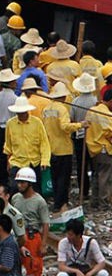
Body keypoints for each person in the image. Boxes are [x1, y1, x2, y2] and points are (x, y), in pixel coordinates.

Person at [41, 81, 86, 211]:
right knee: (63, 179)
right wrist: (80, 125)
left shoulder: (46, 109)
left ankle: (57, 201)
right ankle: (61, 203)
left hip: (50, 148)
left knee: (55, 177)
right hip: (63, 149)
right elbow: (65, 126)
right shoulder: (62, 109)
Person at [4, 96, 50, 189]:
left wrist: (45, 160)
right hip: (17, 162)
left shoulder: (37, 123)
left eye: (23, 112)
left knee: (35, 190)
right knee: (14, 189)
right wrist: (8, 162)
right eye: (19, 113)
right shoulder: (10, 124)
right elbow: (8, 145)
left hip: (34, 162)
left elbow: (44, 143)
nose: (21, 115)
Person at [10, 167, 49, 276]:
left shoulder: (39, 201)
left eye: (22, 183)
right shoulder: (15, 198)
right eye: (18, 183)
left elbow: (45, 223)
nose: (19, 185)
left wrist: (43, 245)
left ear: (30, 183)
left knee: (33, 266)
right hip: (17, 235)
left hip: (32, 237)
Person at [71, 72, 98, 200]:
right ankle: (96, 191)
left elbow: (72, 119)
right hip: (94, 137)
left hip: (79, 136)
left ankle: (84, 191)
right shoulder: (95, 102)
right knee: (94, 166)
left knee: (82, 166)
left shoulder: (75, 101)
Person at [85, 88, 112, 209]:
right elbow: (109, 133)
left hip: (92, 149)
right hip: (104, 149)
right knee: (105, 177)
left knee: (96, 175)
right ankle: (103, 203)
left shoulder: (91, 111)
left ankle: (94, 201)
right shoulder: (107, 115)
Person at [0, 69, 19, 183]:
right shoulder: (15, 98)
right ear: (11, 83)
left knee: (2, 156)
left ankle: (2, 180)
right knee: (13, 155)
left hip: (1, 129)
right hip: (12, 129)